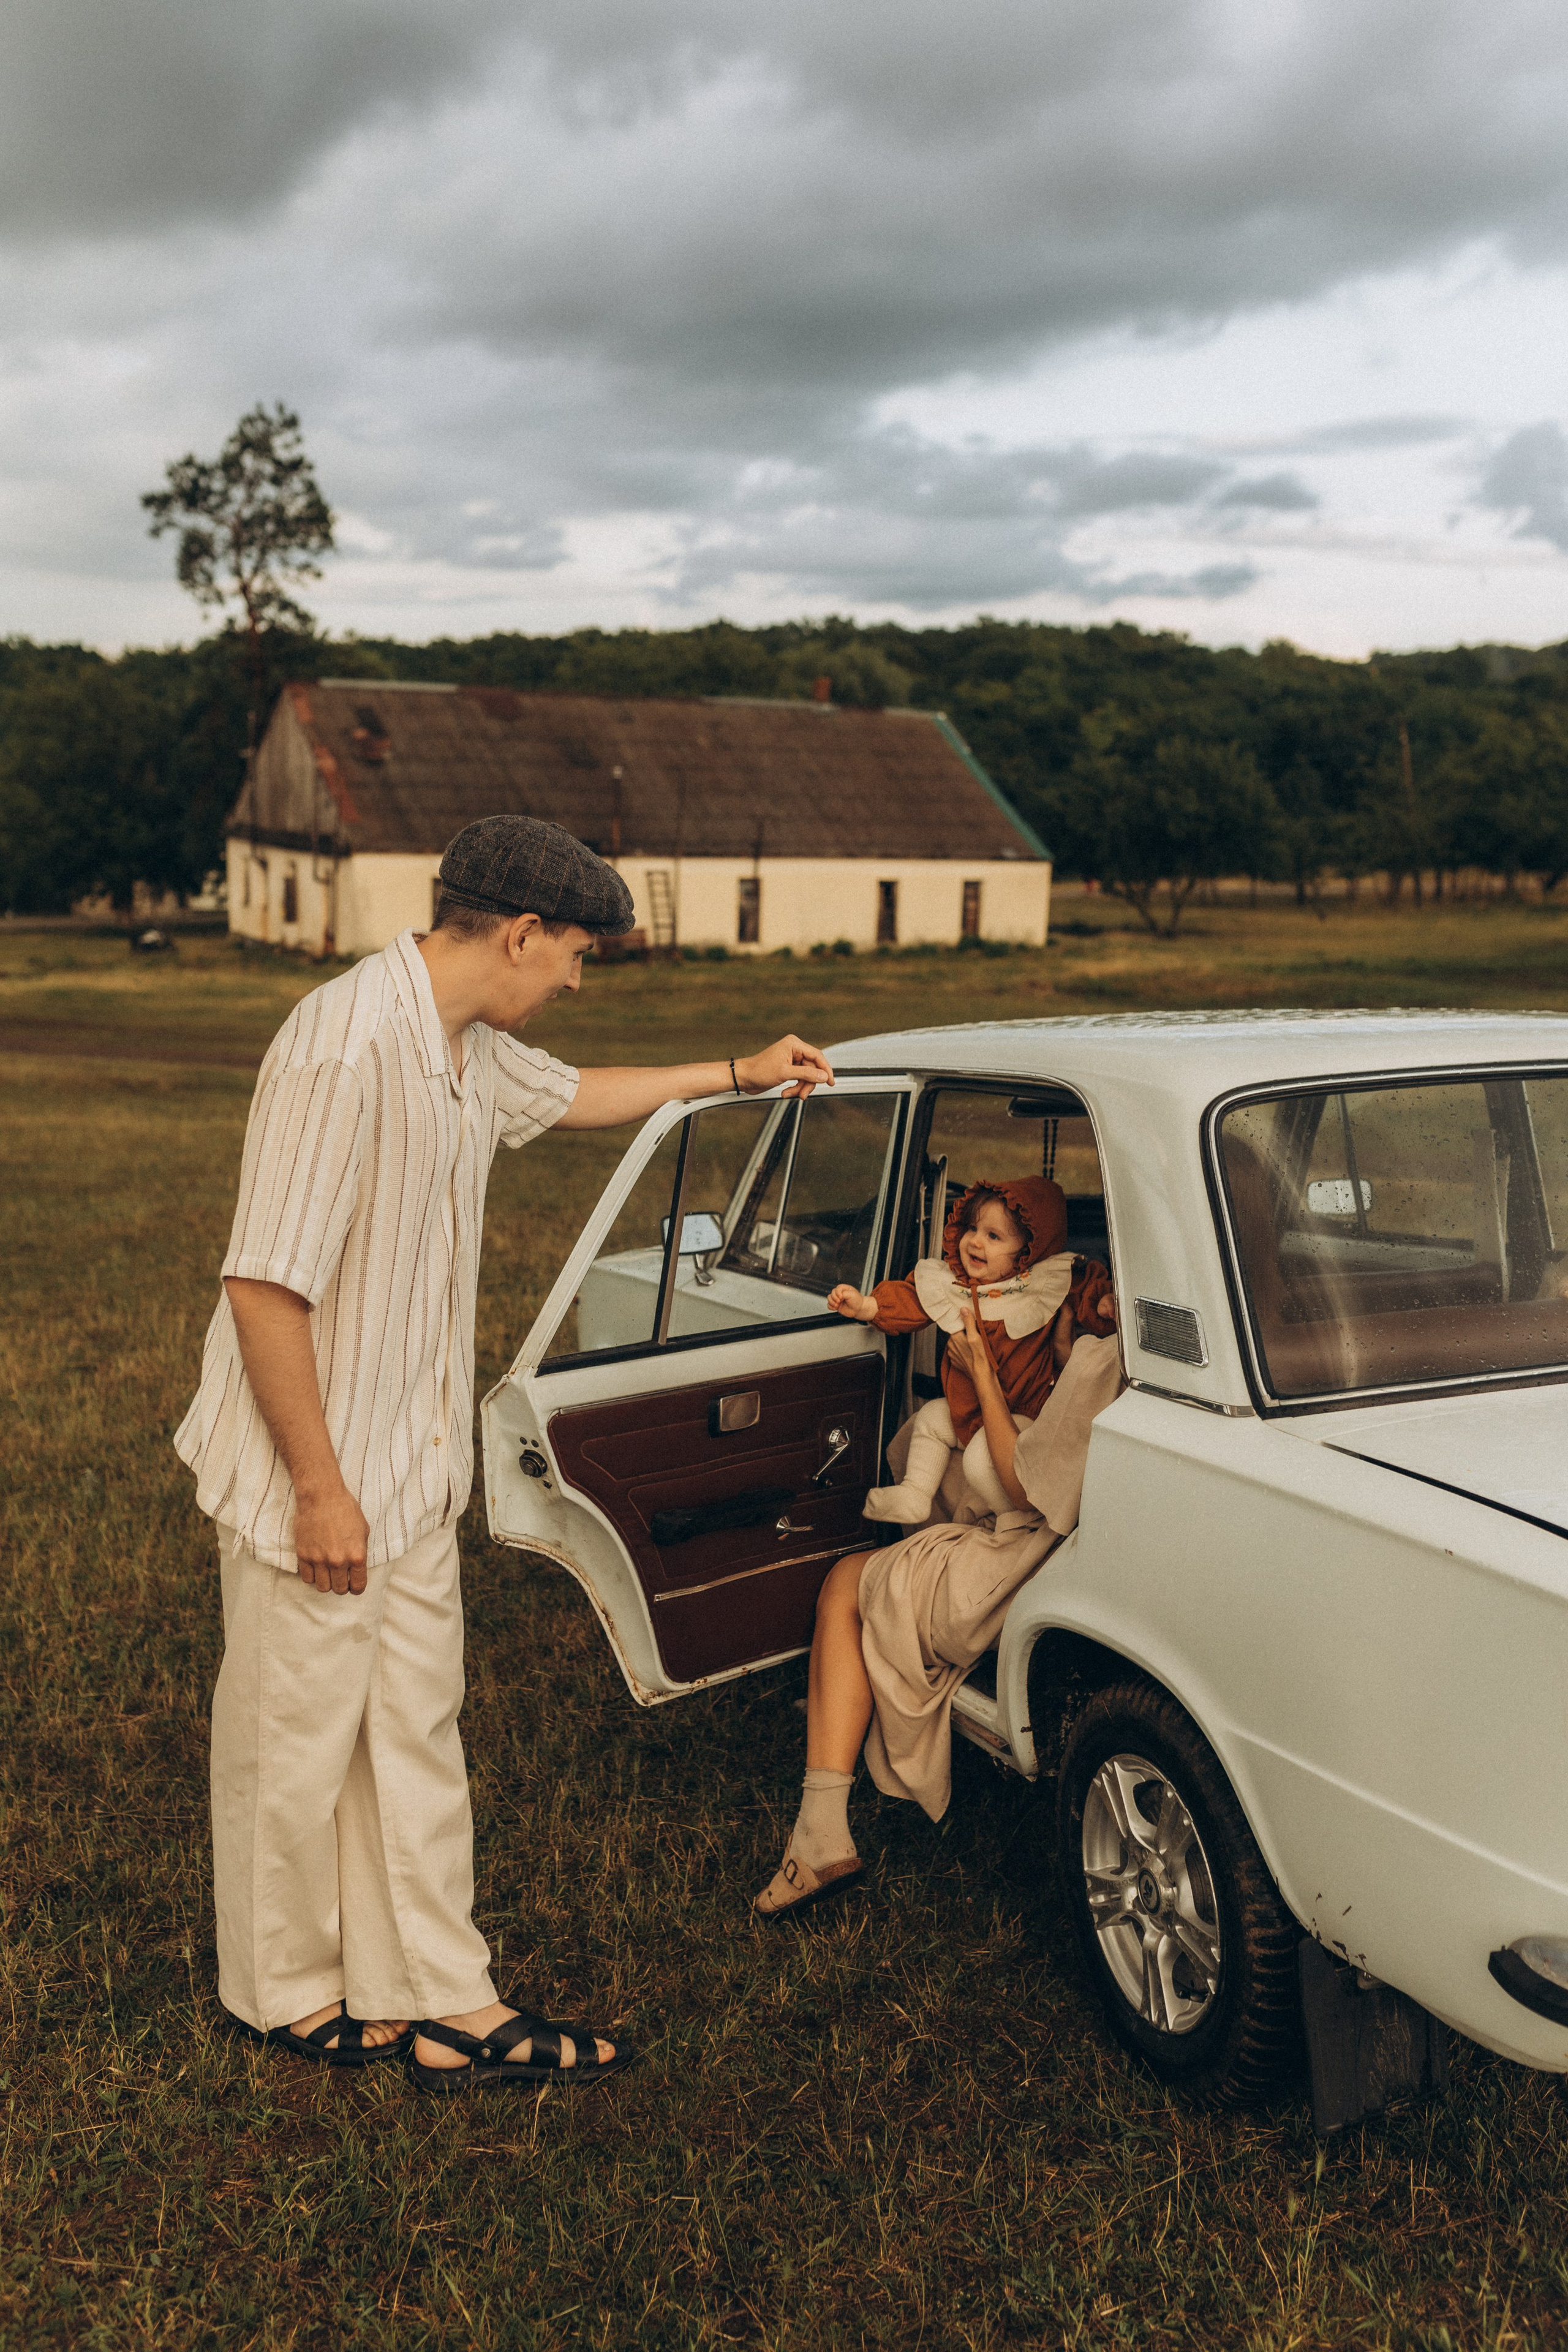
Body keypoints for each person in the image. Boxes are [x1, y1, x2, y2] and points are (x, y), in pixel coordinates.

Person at [176, 813, 832, 2088]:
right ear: (520, 932)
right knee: (295, 1734)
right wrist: (318, 1490)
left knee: (414, 1724)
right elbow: (265, 1289)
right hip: (310, 1470)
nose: (576, 979)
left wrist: (740, 1074)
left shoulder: (470, 1043)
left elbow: (581, 1095)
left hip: (414, 1469)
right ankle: (284, 1994)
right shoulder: (341, 1043)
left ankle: (435, 1994)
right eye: (576, 954)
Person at [754, 1287, 1123, 1921]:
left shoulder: (1106, 1360)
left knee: (846, 1582)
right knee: (912, 1528)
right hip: (1069, 1553)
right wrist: (1062, 1352)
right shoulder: (1118, 1357)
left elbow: (1023, 1484)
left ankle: (819, 1837)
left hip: (1021, 1562)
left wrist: (981, 1368)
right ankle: (850, 1697)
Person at [827, 1176, 1114, 1523]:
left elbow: (1086, 1291)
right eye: (973, 1229)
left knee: (981, 1457)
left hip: (1025, 1410)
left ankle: (1016, 1518)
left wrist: (1104, 1305)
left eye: (994, 1237)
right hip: (970, 1406)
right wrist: (866, 1307)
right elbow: (913, 1300)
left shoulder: (1044, 1282)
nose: (976, 1242)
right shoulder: (956, 1283)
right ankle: (916, 1494)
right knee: (931, 1419)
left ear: (1027, 1250)